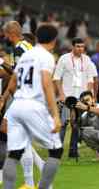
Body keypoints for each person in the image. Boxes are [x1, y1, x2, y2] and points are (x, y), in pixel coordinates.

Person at [1, 24, 63, 189]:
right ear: (54, 40)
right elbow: (46, 84)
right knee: (56, 150)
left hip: (16, 105)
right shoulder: (46, 56)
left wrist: (6, 98)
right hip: (32, 105)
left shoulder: (26, 55)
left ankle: (17, 185)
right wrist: (55, 115)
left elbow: (13, 82)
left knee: (14, 153)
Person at [53, 37, 95, 158]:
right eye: (78, 46)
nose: (80, 49)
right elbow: (56, 78)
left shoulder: (87, 60)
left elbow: (90, 79)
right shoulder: (64, 59)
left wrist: (88, 96)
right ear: (73, 47)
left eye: (82, 47)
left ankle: (73, 151)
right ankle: (57, 151)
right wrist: (61, 94)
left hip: (81, 99)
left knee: (77, 125)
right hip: (67, 97)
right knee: (63, 124)